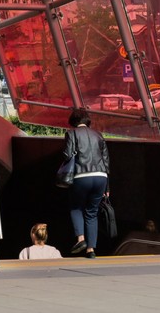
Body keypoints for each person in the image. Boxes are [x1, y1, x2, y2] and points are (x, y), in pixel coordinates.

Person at [63, 108, 110, 259]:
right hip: (101, 177)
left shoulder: (71, 133)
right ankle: (91, 250)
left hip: (81, 175)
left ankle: (81, 239)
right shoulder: (99, 135)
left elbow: (67, 154)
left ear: (74, 121)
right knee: (92, 212)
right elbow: (106, 161)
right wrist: (107, 186)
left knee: (76, 207)